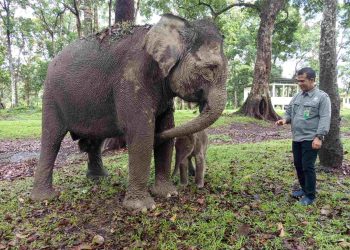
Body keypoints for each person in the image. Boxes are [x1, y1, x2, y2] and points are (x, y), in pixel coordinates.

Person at [276, 67, 331, 206]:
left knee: (307, 166)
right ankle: (304, 189)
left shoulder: (322, 97)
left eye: (302, 81)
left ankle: (310, 196)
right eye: (298, 81)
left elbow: (325, 118)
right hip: (297, 137)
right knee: (298, 165)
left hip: (311, 138)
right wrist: (285, 119)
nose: (300, 84)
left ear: (312, 80)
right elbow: (289, 112)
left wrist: (319, 137)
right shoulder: (297, 96)